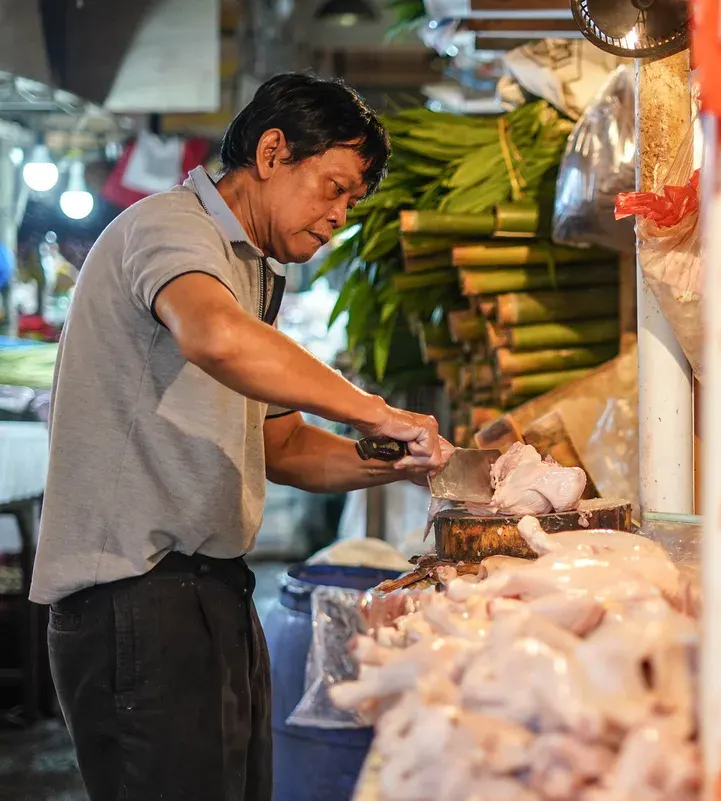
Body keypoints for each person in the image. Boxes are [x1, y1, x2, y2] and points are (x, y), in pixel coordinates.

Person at [30, 72, 451, 801]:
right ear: (272, 151)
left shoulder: (254, 273)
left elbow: (281, 447)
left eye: (353, 201)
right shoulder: (170, 226)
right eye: (334, 187)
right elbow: (214, 336)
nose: (339, 216)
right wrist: (372, 410)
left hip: (210, 594)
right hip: (134, 603)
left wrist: (396, 465)